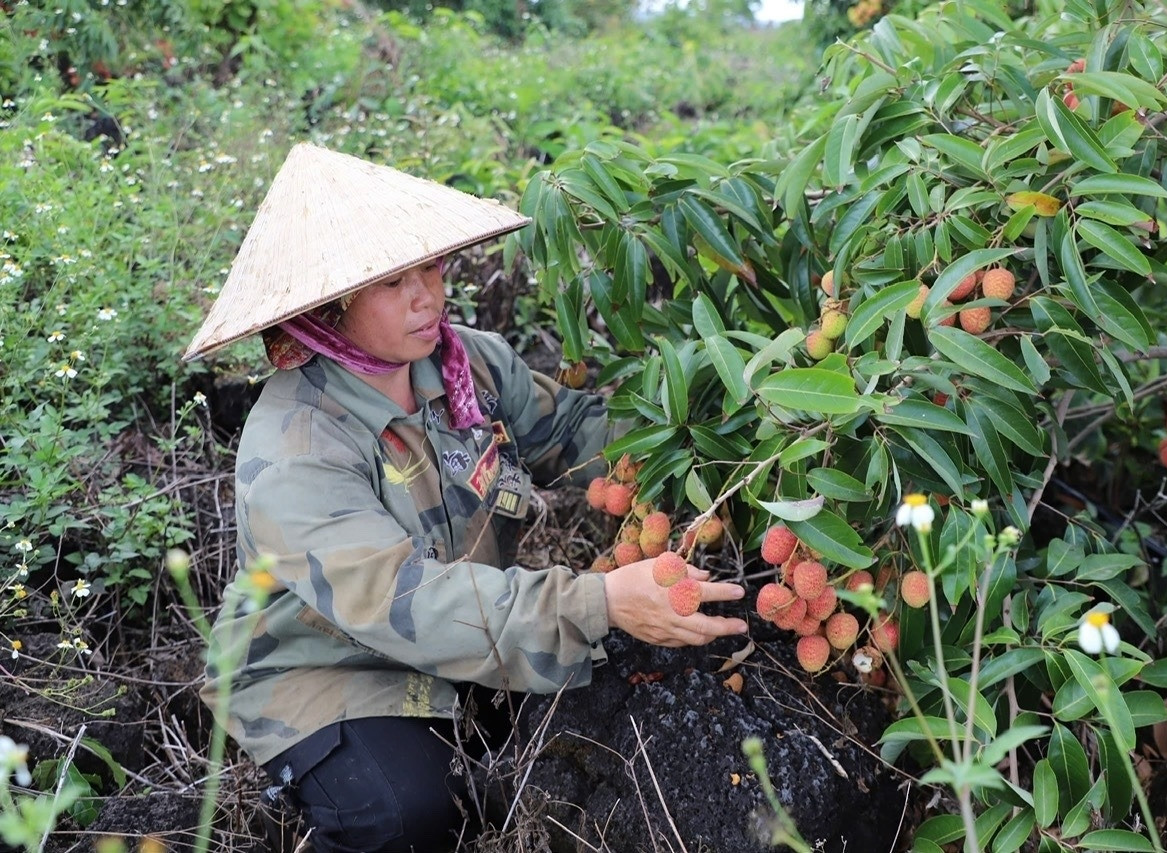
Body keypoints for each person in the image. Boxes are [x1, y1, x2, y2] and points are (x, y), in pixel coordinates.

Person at [183, 142, 748, 852]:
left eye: (431, 267)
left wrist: (714, 461)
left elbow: (576, 431)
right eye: (394, 282)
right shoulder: (296, 447)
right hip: (326, 667)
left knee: (598, 712)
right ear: (331, 307)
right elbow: (406, 601)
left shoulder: (466, 364)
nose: (428, 296)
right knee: (408, 813)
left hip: (465, 624)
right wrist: (599, 602)